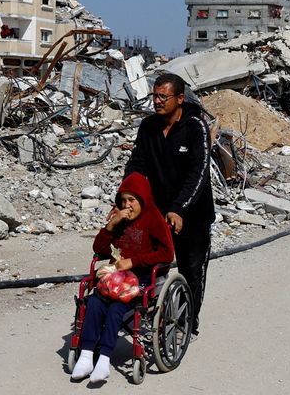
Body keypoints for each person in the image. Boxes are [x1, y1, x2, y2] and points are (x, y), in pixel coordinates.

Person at [124, 73, 215, 335]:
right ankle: (145, 315)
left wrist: (179, 208)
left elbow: (198, 174)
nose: (158, 101)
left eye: (164, 96)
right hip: (157, 212)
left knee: (191, 272)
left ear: (180, 99)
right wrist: (127, 198)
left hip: (192, 214)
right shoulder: (148, 127)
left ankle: (187, 325)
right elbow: (137, 164)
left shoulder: (195, 127)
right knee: (148, 266)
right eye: (155, 96)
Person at [71, 172, 174, 383]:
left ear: (142, 200)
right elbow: (99, 249)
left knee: (116, 308)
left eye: (132, 200)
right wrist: (110, 226)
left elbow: (166, 254)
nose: (127, 205)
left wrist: (133, 262)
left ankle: (104, 359)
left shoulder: (153, 219)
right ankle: (86, 355)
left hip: (142, 279)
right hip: (116, 278)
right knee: (94, 304)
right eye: (124, 200)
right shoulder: (119, 219)